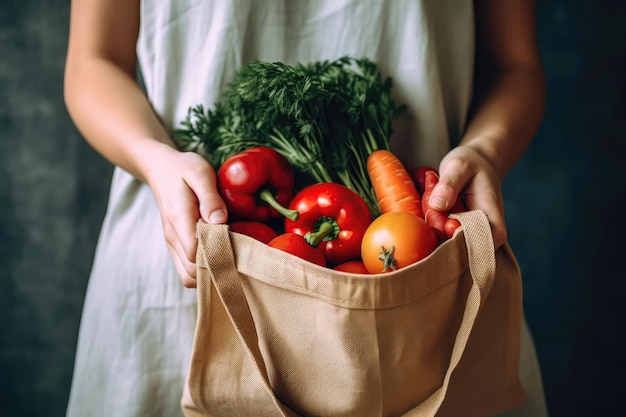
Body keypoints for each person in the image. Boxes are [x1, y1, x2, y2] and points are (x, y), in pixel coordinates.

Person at [63, 0, 548, 416]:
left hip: (427, 278)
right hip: (186, 263)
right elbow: (93, 62)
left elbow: (516, 65)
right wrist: (156, 160)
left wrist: (486, 149)